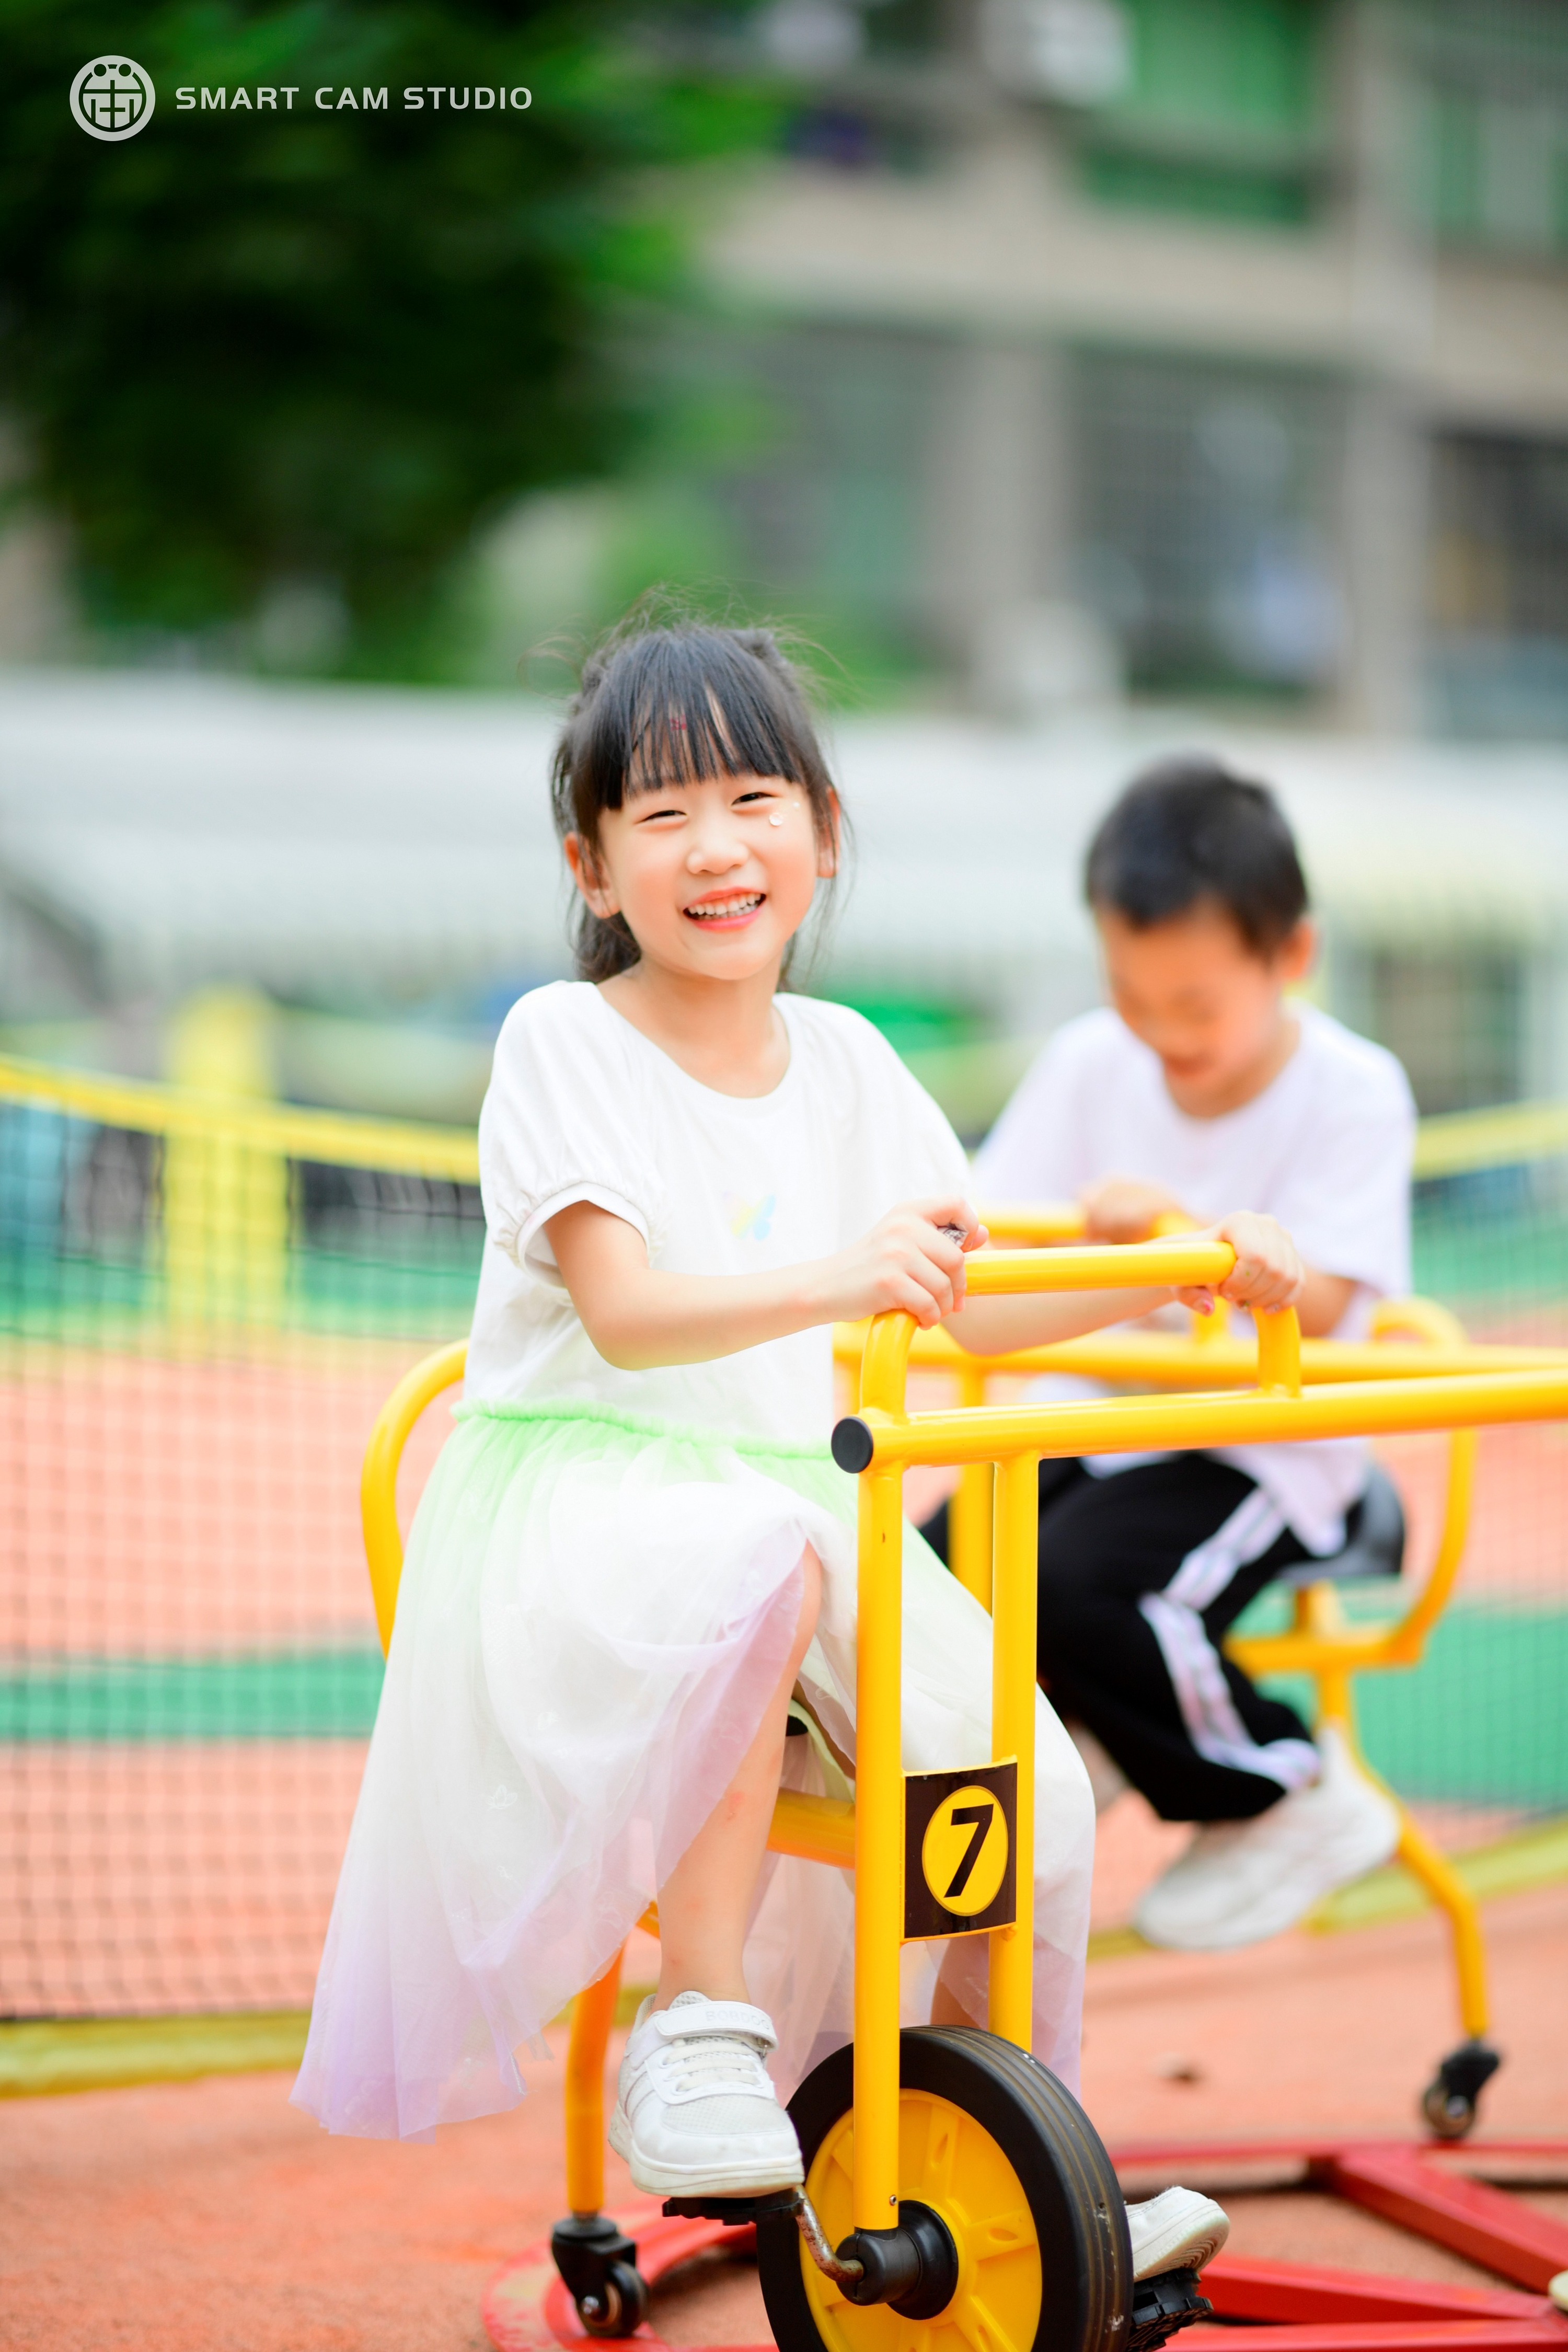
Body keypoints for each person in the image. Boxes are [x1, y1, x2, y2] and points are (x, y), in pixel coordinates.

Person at [293, 627, 1302, 2285]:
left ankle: (1024, 2157)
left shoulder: (847, 1062)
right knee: (750, 1560)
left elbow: (973, 1308)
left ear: (821, 835)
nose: (716, 846)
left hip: (792, 1503)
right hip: (593, 1505)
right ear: (593, 866)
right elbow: (626, 1314)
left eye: (755, 799)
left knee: (1031, 1793)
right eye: (663, 812)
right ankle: (696, 2022)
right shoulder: (563, 1040)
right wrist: (847, 1275)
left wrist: (1182, 1265)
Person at [935, 757, 1413, 1953]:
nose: (1161, 1034)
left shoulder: (1353, 1090)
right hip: (1099, 1418)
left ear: (1291, 956)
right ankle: (1085, 1731)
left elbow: (1329, 1299)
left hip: (1260, 1446)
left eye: (1196, 1006)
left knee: (1080, 1582)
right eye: (1132, 996)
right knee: (934, 1578)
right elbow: (990, 1233)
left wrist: (1167, 1239)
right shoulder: (1094, 1061)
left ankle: (1287, 1788)